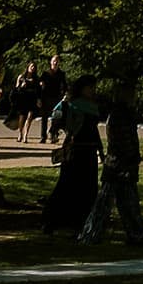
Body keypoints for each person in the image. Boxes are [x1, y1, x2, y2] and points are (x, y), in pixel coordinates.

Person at [79, 81, 143, 246]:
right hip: (120, 165)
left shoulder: (119, 114)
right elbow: (125, 140)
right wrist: (132, 157)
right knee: (111, 203)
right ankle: (92, 234)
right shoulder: (122, 115)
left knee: (122, 202)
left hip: (117, 164)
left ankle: (135, 234)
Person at [41, 75, 101, 236]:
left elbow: (94, 131)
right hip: (75, 150)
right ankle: (52, 221)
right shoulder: (71, 105)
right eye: (90, 87)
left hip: (89, 151)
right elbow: (58, 119)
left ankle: (81, 222)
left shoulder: (93, 106)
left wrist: (100, 151)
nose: (93, 90)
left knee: (88, 188)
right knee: (67, 185)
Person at [37, 55, 66, 145]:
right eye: (54, 61)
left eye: (57, 61)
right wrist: (39, 98)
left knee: (56, 118)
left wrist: (64, 95)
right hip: (46, 97)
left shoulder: (61, 74)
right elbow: (40, 85)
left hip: (57, 98)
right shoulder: (46, 73)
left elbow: (64, 85)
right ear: (51, 62)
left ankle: (53, 135)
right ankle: (43, 137)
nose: (55, 62)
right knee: (44, 118)